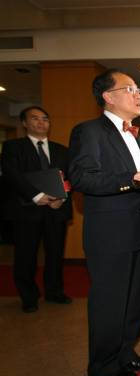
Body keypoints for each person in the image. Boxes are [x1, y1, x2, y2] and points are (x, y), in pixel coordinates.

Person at [68, 69, 140, 376]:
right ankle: (102, 364)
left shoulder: (134, 135)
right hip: (110, 233)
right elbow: (82, 178)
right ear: (108, 96)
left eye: (139, 89)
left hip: (139, 229)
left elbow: (139, 179)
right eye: (130, 88)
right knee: (110, 301)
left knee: (134, 299)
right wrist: (130, 179)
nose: (138, 94)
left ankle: (125, 352)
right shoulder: (89, 131)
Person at [0, 106, 73, 313]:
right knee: (26, 255)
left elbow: (69, 178)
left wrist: (62, 197)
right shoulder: (13, 147)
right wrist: (37, 196)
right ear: (24, 123)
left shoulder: (61, 150)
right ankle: (28, 296)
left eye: (45, 119)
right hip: (26, 210)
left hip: (56, 209)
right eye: (35, 119)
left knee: (55, 254)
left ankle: (54, 292)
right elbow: (12, 175)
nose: (41, 123)